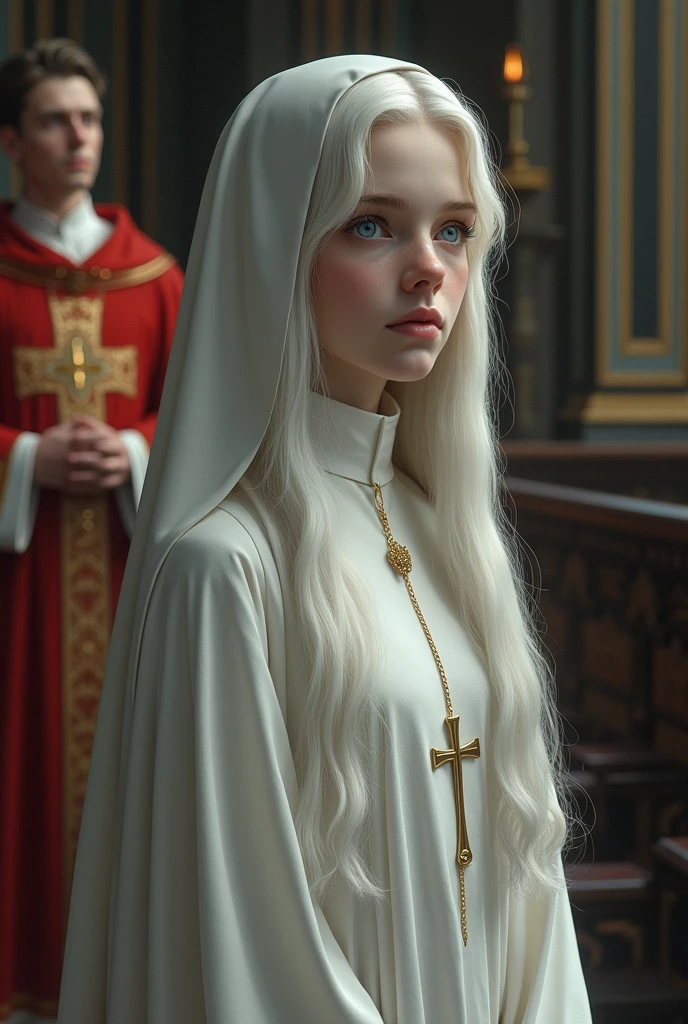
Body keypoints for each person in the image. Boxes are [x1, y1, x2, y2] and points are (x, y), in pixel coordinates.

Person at [57, 55, 591, 1023]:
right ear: (274, 247)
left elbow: (528, 881)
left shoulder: (446, 534)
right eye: (372, 224)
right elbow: (246, 946)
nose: (429, 265)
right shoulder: (222, 570)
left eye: (455, 230)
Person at [0, 38, 183, 1022]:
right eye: (55, 120)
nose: (79, 138)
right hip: (15, 595)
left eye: (91, 119)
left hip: (132, 581)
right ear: (10, 141)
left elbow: (202, 412)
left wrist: (137, 453)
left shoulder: (154, 277)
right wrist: (23, 461)